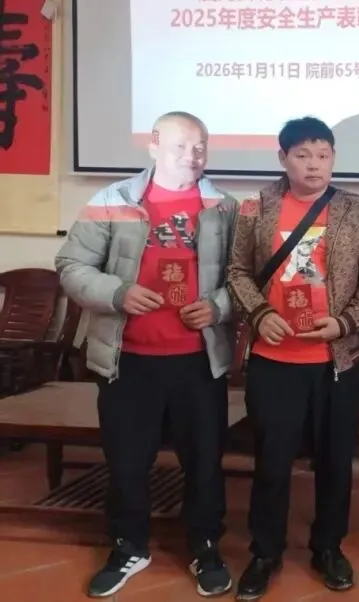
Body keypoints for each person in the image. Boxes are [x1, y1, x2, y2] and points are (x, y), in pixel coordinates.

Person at [55, 111, 237, 598]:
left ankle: (205, 547)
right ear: (154, 145)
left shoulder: (225, 207)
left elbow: (246, 279)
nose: (192, 157)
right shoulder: (111, 201)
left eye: (200, 147)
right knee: (127, 462)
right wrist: (117, 293)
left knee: (204, 462)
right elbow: (71, 265)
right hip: (127, 359)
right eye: (181, 146)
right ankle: (128, 547)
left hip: (199, 360)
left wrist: (218, 306)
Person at [226, 116, 359, 601]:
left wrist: (346, 322)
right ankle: (265, 553)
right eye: (302, 155)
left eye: (322, 155)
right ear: (283, 158)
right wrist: (258, 314)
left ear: (333, 158)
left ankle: (328, 548)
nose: (313, 165)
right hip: (275, 360)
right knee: (272, 462)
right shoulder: (257, 206)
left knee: (335, 462)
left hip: (336, 361)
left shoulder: (357, 210)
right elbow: (237, 271)